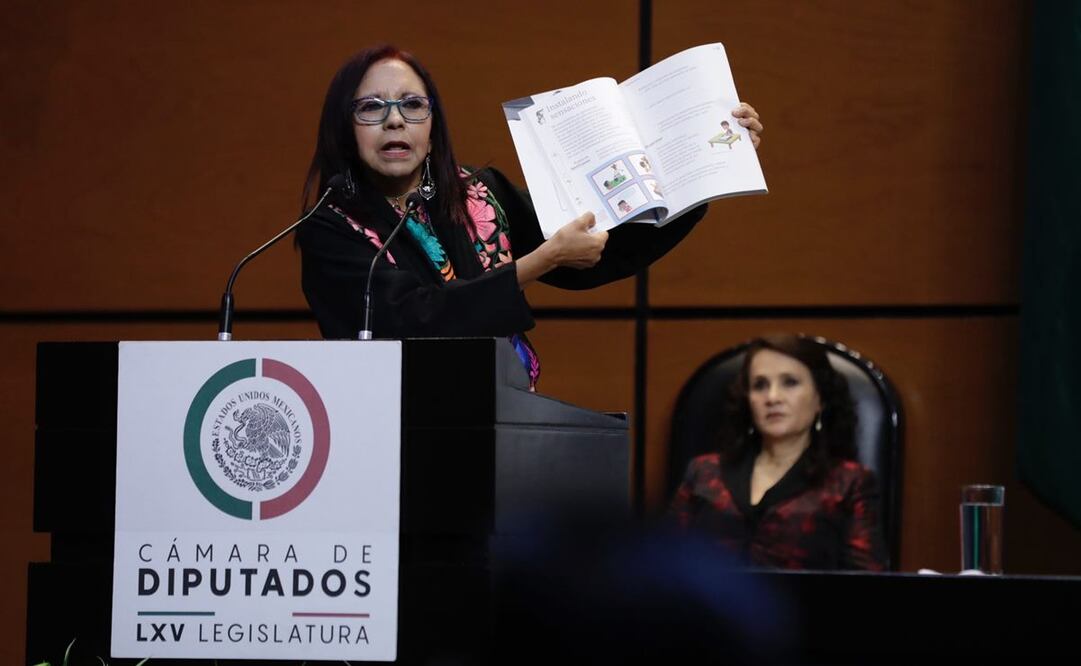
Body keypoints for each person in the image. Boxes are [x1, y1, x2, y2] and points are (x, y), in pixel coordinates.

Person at [296, 45, 764, 388]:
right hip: (397, 433)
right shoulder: (331, 225)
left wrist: (703, 173)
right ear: (345, 127)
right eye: (372, 107)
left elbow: (595, 251)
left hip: (502, 412)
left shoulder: (478, 192)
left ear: (433, 127)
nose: (394, 120)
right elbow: (410, 321)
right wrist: (537, 262)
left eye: (412, 105)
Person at [669, 335, 887, 570]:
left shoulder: (849, 483)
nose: (772, 398)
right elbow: (662, 562)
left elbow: (868, 588)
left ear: (820, 399)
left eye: (790, 382)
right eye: (760, 385)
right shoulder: (703, 472)